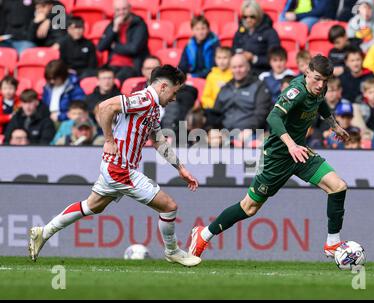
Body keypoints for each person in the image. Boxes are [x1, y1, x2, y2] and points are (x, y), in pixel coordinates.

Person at [28, 65, 201, 267]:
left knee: (92, 206)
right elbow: (105, 107)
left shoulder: (153, 108)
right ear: (163, 87)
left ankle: (43, 232)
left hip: (116, 167)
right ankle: (172, 252)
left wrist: (180, 168)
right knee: (169, 207)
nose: (174, 98)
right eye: (174, 92)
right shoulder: (144, 99)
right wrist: (108, 139)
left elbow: (158, 141)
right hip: (120, 169)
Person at [188, 55, 351, 259]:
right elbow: (273, 117)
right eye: (317, 78)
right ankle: (203, 234)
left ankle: (332, 244)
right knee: (249, 207)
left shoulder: (320, 88)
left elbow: (321, 103)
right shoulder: (296, 92)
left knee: (338, 187)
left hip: (300, 153)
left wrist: (334, 125)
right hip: (277, 156)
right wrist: (290, 145)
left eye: (325, 81)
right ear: (307, 72)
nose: (320, 85)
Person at [209, 54, 272, 133]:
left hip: (250, 133)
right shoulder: (225, 88)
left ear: (248, 67)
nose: (237, 70)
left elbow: (261, 114)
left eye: (241, 66)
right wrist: (213, 129)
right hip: (225, 132)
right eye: (234, 67)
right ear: (230, 69)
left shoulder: (259, 86)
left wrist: (249, 130)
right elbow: (215, 113)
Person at [97, 0, 149, 83]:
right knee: (93, 77)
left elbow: (134, 49)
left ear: (130, 8)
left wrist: (114, 46)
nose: (121, 12)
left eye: (124, 9)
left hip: (131, 66)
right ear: (114, 11)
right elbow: (100, 47)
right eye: (118, 10)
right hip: (112, 65)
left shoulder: (139, 24)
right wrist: (114, 29)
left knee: (116, 80)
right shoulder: (112, 25)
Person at [233, 0, 280, 75]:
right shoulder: (240, 31)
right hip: (242, 72)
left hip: (262, 73)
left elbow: (275, 58)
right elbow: (234, 49)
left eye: (252, 17)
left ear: (259, 15)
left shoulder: (270, 32)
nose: (248, 20)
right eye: (245, 17)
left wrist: (254, 58)